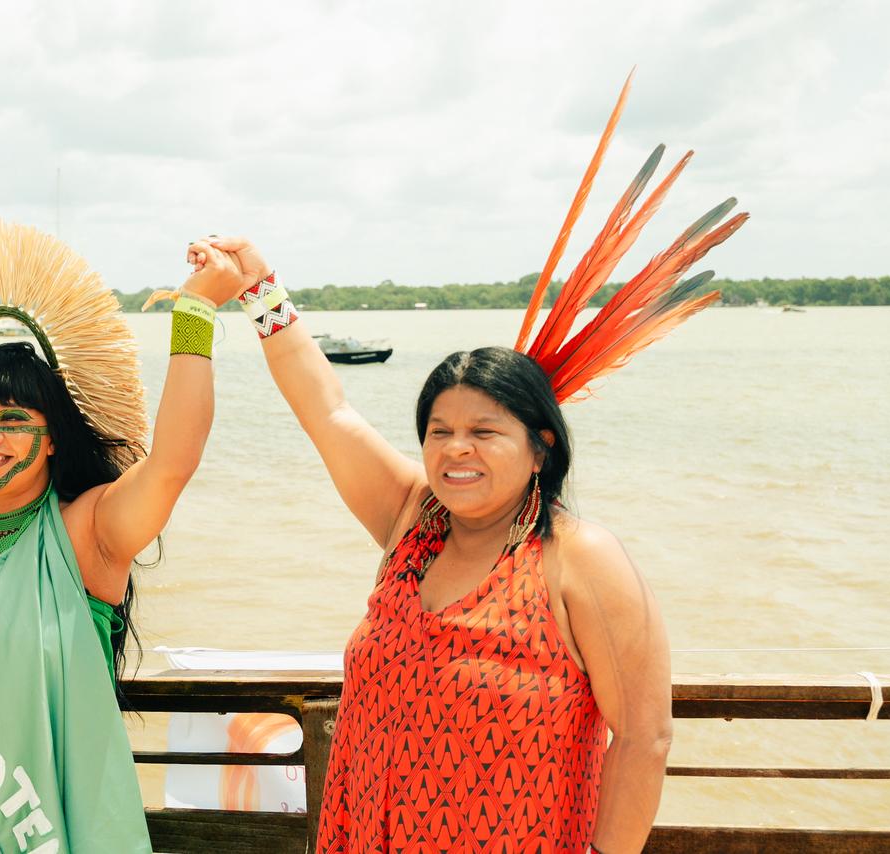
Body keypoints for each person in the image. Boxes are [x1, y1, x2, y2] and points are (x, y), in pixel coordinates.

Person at [196, 77, 746, 854]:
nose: (457, 449)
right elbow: (328, 410)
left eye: (485, 431)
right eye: (440, 430)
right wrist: (258, 286)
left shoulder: (577, 559)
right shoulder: (413, 519)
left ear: (540, 445)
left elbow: (645, 736)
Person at [0, 219, 246, 853]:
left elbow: (173, 462)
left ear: (53, 438)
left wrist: (196, 312)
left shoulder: (87, 531)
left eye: (13, 419)